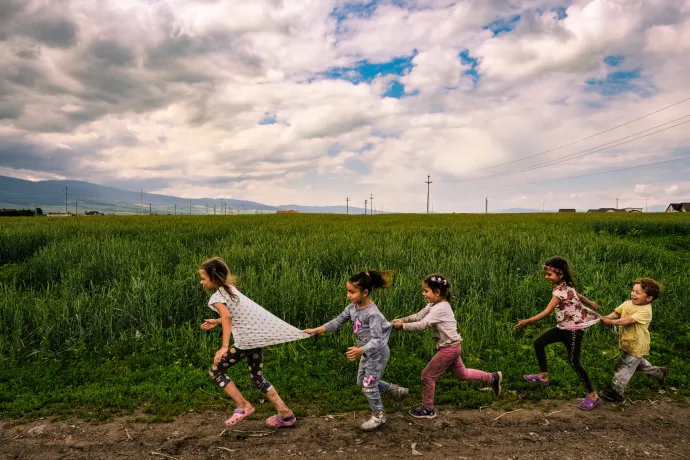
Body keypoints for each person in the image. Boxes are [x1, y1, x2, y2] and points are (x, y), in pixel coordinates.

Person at [200, 257, 306, 428]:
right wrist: (217, 321)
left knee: (216, 371)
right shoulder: (230, 290)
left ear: (213, 278)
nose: (201, 282)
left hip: (245, 342)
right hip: (255, 339)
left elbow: (228, 317)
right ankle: (284, 412)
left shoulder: (216, 298)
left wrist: (224, 347)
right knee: (257, 377)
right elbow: (234, 315)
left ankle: (243, 406)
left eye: (203, 278)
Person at [304, 270, 408, 431]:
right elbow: (337, 321)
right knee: (362, 382)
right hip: (367, 352)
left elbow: (378, 340)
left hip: (377, 353)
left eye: (352, 292)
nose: (348, 295)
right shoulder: (353, 307)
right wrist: (316, 330)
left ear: (365, 293)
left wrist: (361, 350)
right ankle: (396, 391)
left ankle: (378, 416)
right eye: (348, 291)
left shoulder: (372, 314)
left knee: (368, 384)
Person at [393, 274, 502, 419]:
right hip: (453, 347)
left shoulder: (441, 308)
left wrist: (402, 327)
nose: (423, 294)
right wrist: (403, 320)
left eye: (426, 291)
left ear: (437, 292)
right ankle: (493, 378)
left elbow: (423, 324)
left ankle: (428, 409)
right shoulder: (434, 305)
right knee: (462, 374)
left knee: (427, 375)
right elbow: (419, 316)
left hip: (449, 350)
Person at [514, 257, 602, 411]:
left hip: (573, 331)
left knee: (574, 362)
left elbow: (547, 311)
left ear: (560, 275)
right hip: (562, 328)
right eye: (546, 274)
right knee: (538, 343)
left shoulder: (560, 290)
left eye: (549, 275)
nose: (546, 277)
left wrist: (527, 321)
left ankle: (592, 395)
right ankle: (543, 376)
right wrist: (589, 301)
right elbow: (576, 295)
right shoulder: (566, 285)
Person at [600, 278, 667, 401]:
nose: (633, 294)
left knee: (623, 367)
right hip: (628, 343)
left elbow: (627, 321)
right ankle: (659, 373)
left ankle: (616, 393)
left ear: (649, 298)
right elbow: (616, 313)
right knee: (638, 365)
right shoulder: (627, 303)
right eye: (632, 291)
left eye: (637, 292)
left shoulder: (645, 311)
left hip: (636, 345)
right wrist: (605, 318)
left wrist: (611, 322)